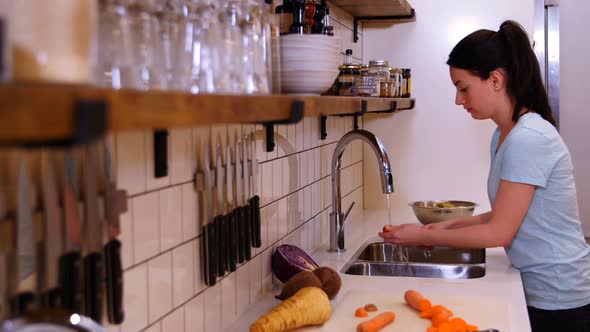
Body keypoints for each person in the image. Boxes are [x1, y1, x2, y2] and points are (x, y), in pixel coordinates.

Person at [379, 20, 590, 332]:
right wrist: (446, 225)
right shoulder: (504, 135)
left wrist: (425, 236)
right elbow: (507, 215)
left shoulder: (527, 138)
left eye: (463, 88)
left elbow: (499, 233)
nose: (458, 100)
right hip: (540, 286)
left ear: (495, 79)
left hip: (559, 296)